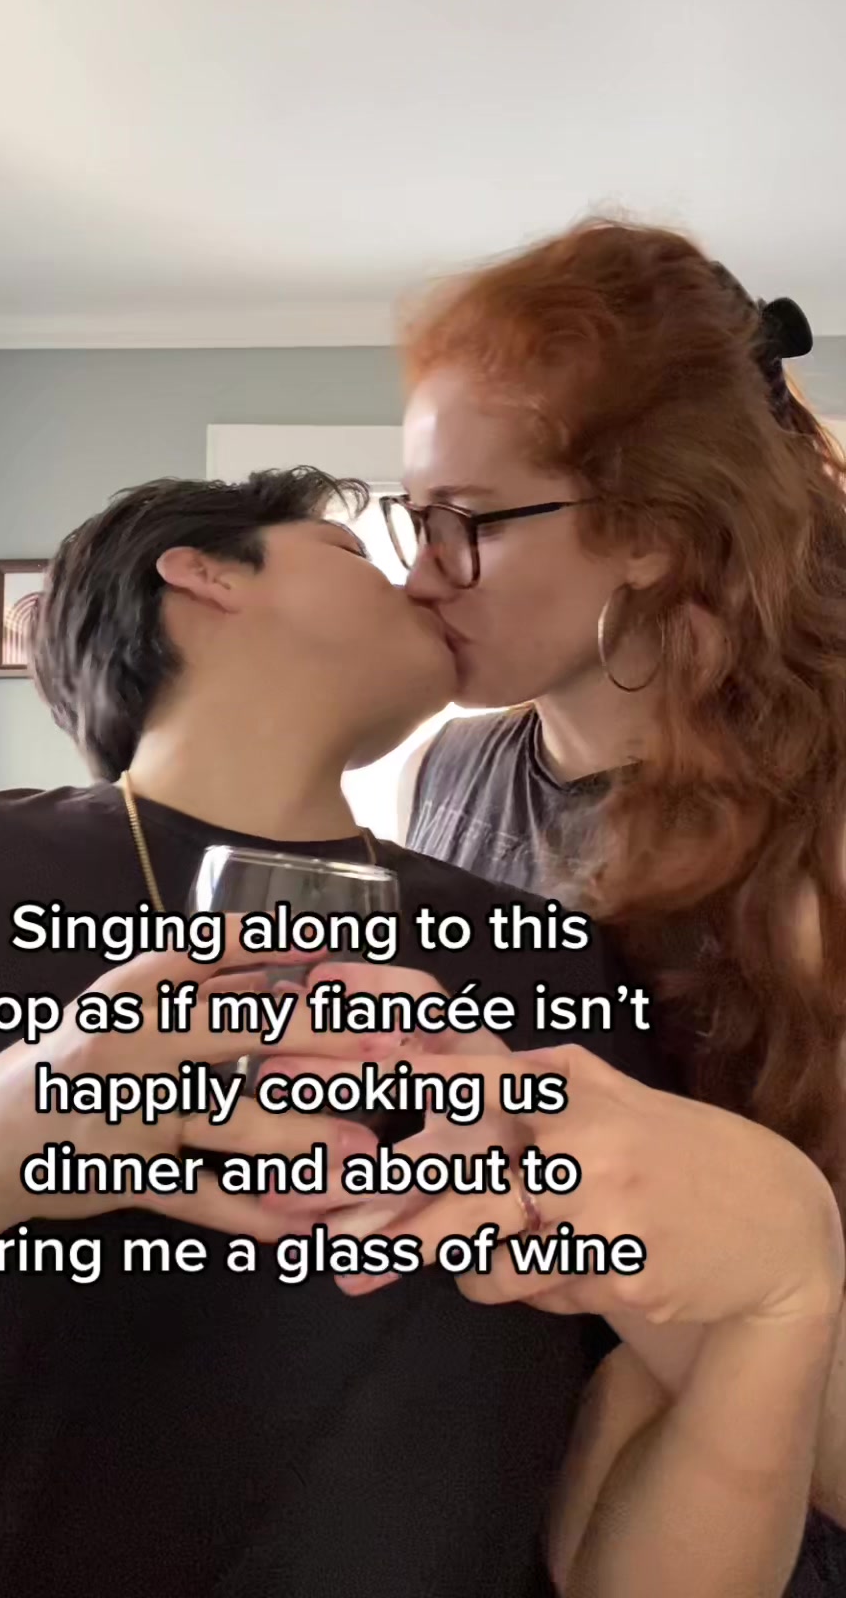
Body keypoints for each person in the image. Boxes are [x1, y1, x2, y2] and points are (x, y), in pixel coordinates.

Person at [0, 468, 839, 1598]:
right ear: (203, 575)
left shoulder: (550, 955)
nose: (426, 580)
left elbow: (628, 1533)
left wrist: (778, 1292)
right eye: (357, 552)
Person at [380, 216, 846, 1578]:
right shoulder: (452, 769)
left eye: (469, 523)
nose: (421, 574)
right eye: (415, 518)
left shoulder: (822, 826)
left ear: (648, 533)